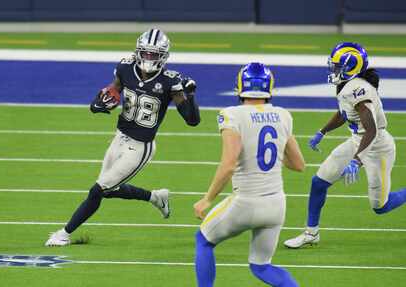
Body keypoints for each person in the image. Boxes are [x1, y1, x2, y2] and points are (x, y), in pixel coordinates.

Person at [45, 28, 200, 246]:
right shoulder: (125, 68)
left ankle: (63, 233)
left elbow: (192, 120)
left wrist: (190, 95)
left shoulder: (170, 81)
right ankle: (156, 197)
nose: (148, 58)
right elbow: (111, 91)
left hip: (141, 147)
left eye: (153, 54)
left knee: (97, 190)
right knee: (108, 191)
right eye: (145, 53)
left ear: (163, 56)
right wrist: (98, 103)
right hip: (119, 137)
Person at [284, 42, 406, 249]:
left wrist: (356, 161)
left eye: (338, 66)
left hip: (377, 147)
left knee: (380, 206)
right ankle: (311, 233)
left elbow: (372, 130)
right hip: (357, 140)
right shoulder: (346, 86)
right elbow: (344, 113)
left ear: (352, 67)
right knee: (319, 182)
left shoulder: (358, 89)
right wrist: (322, 131)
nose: (334, 70)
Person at [193, 63, 305, 287]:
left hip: (245, 202)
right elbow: (298, 164)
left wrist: (207, 199)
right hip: (276, 204)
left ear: (240, 87)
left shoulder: (231, 115)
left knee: (203, 240)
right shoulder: (283, 115)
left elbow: (229, 163)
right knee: (262, 267)